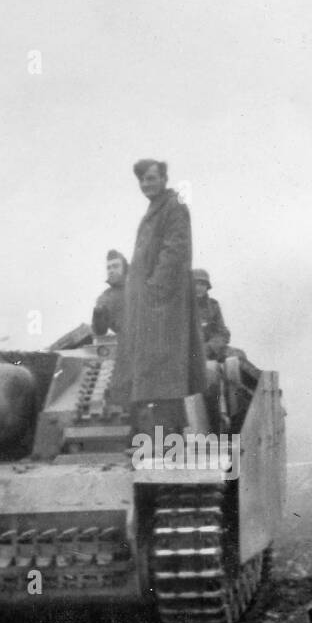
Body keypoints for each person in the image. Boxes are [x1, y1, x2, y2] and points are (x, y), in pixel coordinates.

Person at [107, 158, 207, 432]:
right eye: (142, 180)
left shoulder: (174, 207)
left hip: (162, 306)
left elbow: (175, 250)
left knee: (164, 376)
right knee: (153, 377)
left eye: (151, 178)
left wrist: (154, 289)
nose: (146, 184)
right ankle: (155, 438)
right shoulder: (155, 209)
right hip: (148, 306)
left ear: (164, 179)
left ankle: (166, 441)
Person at [92, 250, 128, 337]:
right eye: (108, 268)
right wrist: (98, 314)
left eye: (115, 266)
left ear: (125, 268)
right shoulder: (105, 297)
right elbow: (100, 331)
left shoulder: (138, 287)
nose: (111, 271)